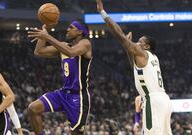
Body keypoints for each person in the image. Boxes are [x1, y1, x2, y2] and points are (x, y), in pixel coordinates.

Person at [96, 0, 172, 134]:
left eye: (140, 42)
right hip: (163, 100)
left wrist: (102, 12)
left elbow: (119, 35)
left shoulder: (143, 53)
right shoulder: (153, 58)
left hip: (153, 101)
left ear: (147, 46)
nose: (136, 43)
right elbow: (134, 66)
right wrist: (128, 48)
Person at [27, 21, 92, 135]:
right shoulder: (63, 46)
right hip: (63, 93)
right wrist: (44, 33)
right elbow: (39, 52)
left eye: (71, 27)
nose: (67, 29)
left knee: (77, 133)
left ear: (80, 31)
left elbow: (71, 52)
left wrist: (47, 37)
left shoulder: (85, 43)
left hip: (78, 96)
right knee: (33, 109)